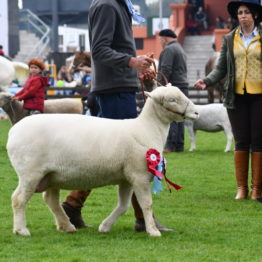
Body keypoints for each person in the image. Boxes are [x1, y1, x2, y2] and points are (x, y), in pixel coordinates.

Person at [62, 0, 173, 232]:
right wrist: (131, 61)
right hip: (114, 89)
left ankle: (72, 205)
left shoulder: (116, 5)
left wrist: (136, 66)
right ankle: (143, 218)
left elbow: (112, 48)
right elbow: (100, 49)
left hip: (116, 86)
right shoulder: (108, 5)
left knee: (106, 153)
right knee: (134, 154)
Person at [194, 0, 262, 200]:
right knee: (241, 141)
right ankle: (241, 188)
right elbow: (221, 67)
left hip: (259, 96)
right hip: (236, 96)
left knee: (258, 142)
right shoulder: (230, 38)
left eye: (247, 12)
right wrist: (206, 81)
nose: (243, 16)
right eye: (240, 12)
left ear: (254, 15)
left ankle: (257, 188)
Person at [157, 29, 189, 153]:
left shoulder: (169, 50)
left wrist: (160, 87)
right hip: (183, 86)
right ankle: (179, 145)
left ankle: (171, 146)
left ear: (164, 38)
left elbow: (165, 69)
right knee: (180, 116)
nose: (160, 42)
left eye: (160, 39)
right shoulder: (180, 48)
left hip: (174, 86)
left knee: (172, 116)